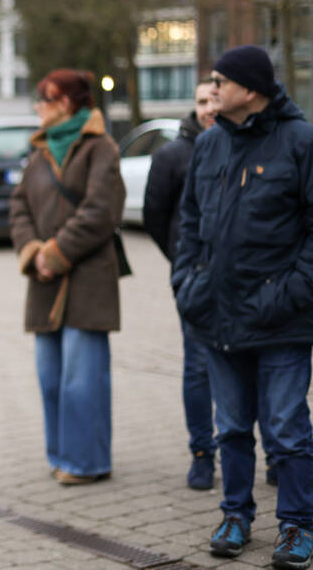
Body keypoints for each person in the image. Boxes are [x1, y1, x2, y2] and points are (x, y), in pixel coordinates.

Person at [173, 45, 313, 568]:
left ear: (250, 90)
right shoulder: (209, 144)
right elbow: (189, 222)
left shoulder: (300, 141)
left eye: (220, 81)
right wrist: (188, 283)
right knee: (230, 427)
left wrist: (290, 293)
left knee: (287, 428)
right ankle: (235, 515)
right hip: (218, 316)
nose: (212, 90)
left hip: (282, 320)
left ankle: (298, 525)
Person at [9, 69, 125, 486]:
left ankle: (86, 462)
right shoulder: (40, 152)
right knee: (51, 377)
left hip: (87, 277)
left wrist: (56, 253)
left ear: (65, 104)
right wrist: (33, 252)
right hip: (44, 280)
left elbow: (101, 211)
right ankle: (61, 455)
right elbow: (19, 207)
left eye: (44, 99)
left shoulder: (100, 147)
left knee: (83, 379)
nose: (37, 107)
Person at [143, 81, 220, 490]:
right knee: (198, 366)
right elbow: (155, 216)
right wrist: (182, 264)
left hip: (245, 280)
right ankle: (202, 453)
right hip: (195, 279)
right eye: (202, 101)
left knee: (252, 367)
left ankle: (276, 455)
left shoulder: (246, 148)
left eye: (215, 100)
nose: (209, 108)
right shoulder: (172, 155)